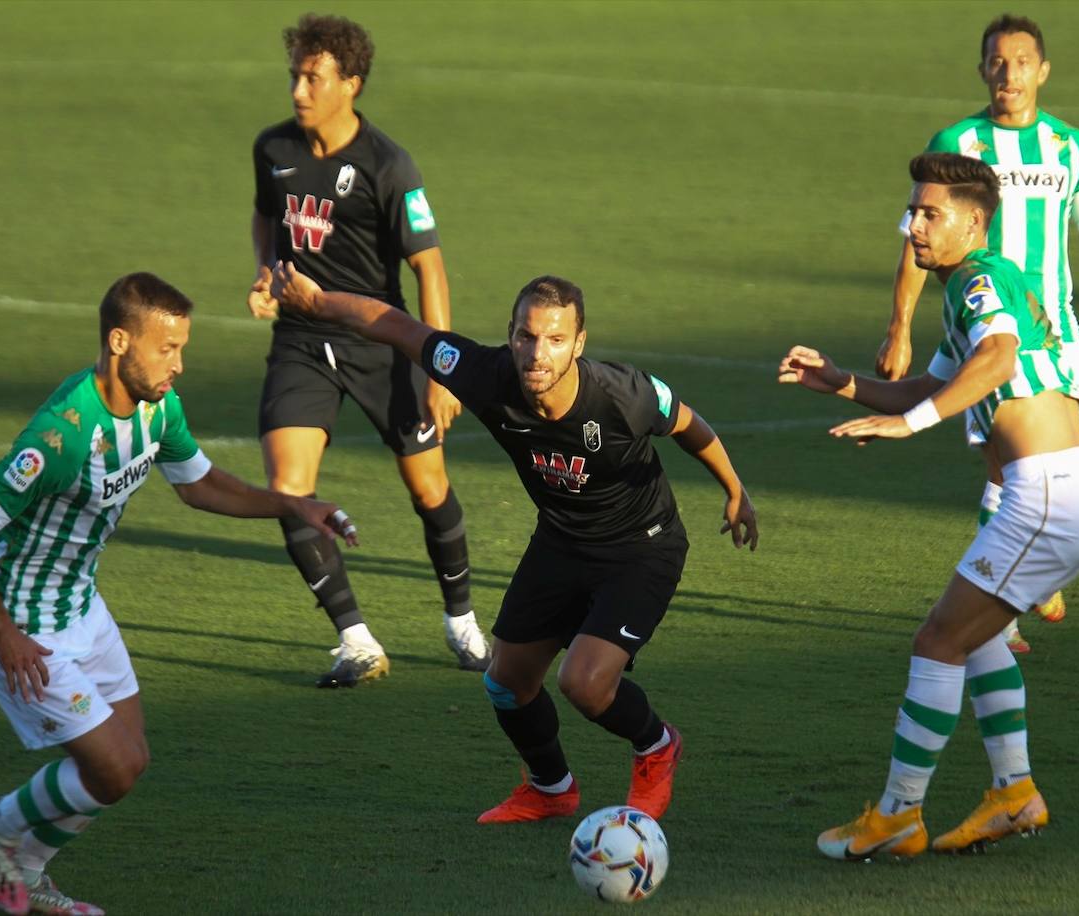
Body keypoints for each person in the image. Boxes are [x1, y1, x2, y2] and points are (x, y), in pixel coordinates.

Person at [268, 265, 758, 823]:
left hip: (640, 548)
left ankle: (657, 746)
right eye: (527, 336)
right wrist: (317, 302)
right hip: (561, 541)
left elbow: (690, 425)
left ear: (579, 343)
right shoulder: (484, 373)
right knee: (505, 682)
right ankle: (551, 788)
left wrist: (734, 490)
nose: (537, 353)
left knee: (584, 683)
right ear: (510, 334)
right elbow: (398, 326)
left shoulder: (623, 393)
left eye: (555, 339)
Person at [0, 273, 357, 915]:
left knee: (129, 763)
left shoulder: (158, 409)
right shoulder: (61, 436)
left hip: (82, 606)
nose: (178, 365)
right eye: (166, 349)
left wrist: (294, 505)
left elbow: (199, 484)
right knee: (108, 767)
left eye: (181, 348)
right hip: (24, 625)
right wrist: (2, 630)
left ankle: (27, 870)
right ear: (119, 342)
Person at [782, 153, 1079, 859]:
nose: (914, 226)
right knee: (980, 638)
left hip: (1048, 494)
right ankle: (1013, 794)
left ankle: (898, 816)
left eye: (931, 214)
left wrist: (908, 427)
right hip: (1072, 488)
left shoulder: (978, 279)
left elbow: (997, 358)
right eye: (913, 211)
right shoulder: (976, 285)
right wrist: (841, 382)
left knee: (938, 641)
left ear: (974, 223)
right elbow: (931, 385)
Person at [873, 13, 1079, 653]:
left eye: (1021, 61)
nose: (1009, 73)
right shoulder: (959, 142)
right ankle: (1001, 618)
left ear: (1042, 71)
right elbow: (916, 237)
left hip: (1057, 330)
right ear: (982, 69)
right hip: (985, 325)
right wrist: (900, 327)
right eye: (997, 61)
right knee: (1009, 467)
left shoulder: (1070, 147)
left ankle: (1031, 579)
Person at [246, 13, 486, 687]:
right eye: (294, 75)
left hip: (382, 340)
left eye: (312, 78)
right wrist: (265, 274)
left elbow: (429, 268)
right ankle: (356, 641)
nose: (298, 90)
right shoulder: (273, 148)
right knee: (289, 491)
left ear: (350, 83)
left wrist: (440, 369)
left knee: (429, 487)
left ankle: (462, 622)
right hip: (301, 339)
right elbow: (265, 215)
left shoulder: (388, 165)